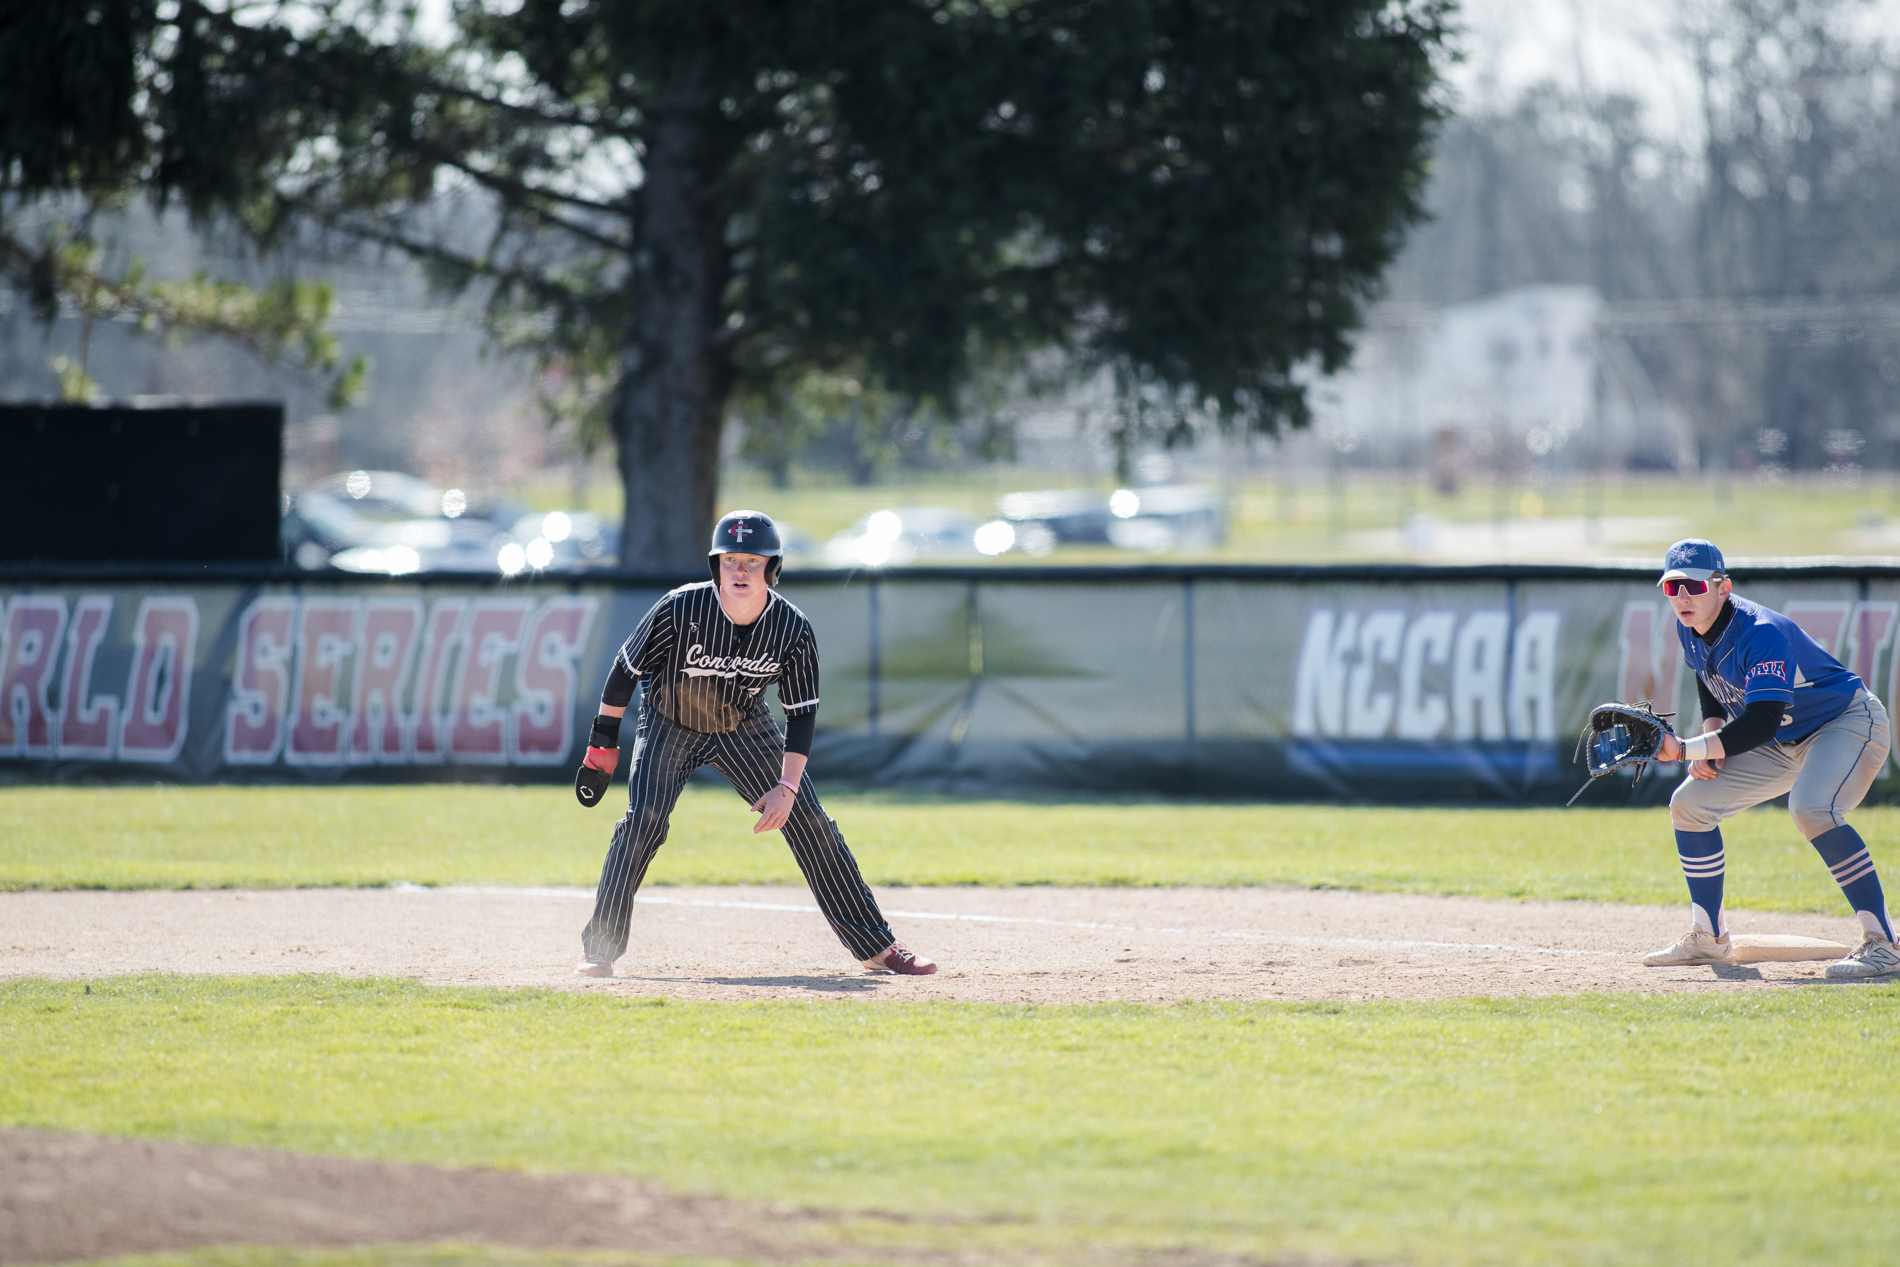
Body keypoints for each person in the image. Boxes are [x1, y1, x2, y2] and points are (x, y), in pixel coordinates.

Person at [571, 509, 936, 978]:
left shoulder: (792, 628)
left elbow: (801, 714)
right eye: (730, 560)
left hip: (743, 727)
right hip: (669, 722)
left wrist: (787, 786)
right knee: (644, 819)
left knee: (810, 821)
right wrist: (602, 745)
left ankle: (878, 947)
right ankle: (598, 947)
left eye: (752, 560)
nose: (740, 571)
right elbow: (625, 672)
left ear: (772, 568)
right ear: (715, 566)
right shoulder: (680, 609)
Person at [1642, 537, 1896, 978]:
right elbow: (1708, 677)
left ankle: (1884, 945)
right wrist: (1710, 734)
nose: (1682, 597)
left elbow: (1760, 721)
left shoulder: (1761, 631)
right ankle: (1709, 940)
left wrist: (1686, 750)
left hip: (1845, 722)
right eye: (1672, 587)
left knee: (1813, 809)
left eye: (1695, 586)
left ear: (1723, 587)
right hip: (1783, 740)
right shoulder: (1691, 626)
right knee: (1689, 806)